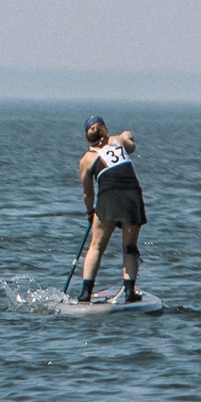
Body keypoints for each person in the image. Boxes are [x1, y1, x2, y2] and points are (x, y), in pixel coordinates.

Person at [77, 121, 146, 303]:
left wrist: (90, 212)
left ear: (87, 136)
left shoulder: (86, 159)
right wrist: (127, 137)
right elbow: (131, 148)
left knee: (96, 245)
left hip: (109, 199)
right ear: (104, 130)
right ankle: (130, 291)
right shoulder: (116, 140)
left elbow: (88, 193)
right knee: (130, 248)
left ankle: (85, 292)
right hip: (132, 196)